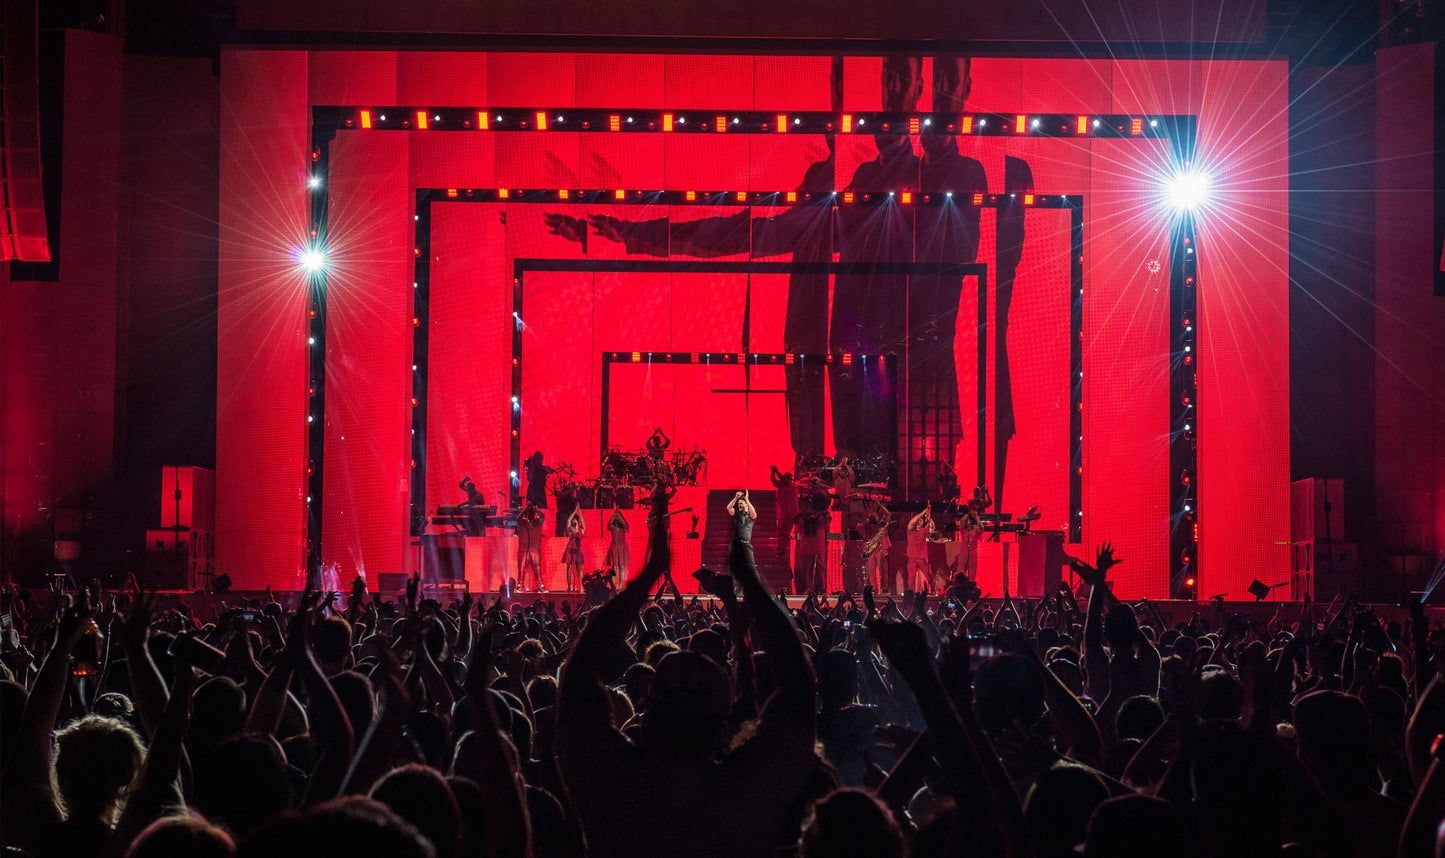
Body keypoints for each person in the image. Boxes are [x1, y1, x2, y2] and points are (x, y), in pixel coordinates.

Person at [771, 465, 800, 562]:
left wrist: (777, 471)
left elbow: (784, 481)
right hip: (783, 515)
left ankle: (783, 553)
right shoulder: (782, 487)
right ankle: (783, 552)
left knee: (783, 534)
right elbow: (774, 481)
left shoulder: (792, 487)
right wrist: (773, 472)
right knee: (782, 534)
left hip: (789, 515)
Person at [514, 500, 545, 592]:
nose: (531, 513)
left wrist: (535, 509)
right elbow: (517, 518)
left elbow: (543, 516)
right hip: (524, 549)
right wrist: (525, 509)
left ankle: (540, 586)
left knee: (537, 568)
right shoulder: (523, 522)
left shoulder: (538, 522)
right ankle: (520, 585)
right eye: (529, 512)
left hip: (535, 549)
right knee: (521, 568)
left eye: (532, 512)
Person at [727, 490, 758, 571]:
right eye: (738, 504)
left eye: (741, 503)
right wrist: (735, 498)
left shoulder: (751, 516)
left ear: (746, 504)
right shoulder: (737, 514)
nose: (739, 505)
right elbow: (729, 508)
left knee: (751, 567)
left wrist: (747, 500)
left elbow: (753, 512)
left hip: (746, 544)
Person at [906, 506, 935, 592]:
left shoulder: (924, 530)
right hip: (912, 558)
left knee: (930, 576)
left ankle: (933, 592)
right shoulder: (910, 530)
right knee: (911, 580)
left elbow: (932, 528)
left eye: (921, 520)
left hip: (922, 558)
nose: (919, 521)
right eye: (917, 520)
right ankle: (909, 595)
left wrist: (928, 517)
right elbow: (911, 522)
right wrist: (923, 512)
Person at [561, 508, 586, 593]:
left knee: (579, 569)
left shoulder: (580, 529)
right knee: (569, 567)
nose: (574, 521)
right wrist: (574, 511)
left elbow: (583, 523)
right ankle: (569, 586)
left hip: (577, 551)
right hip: (570, 550)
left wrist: (579, 512)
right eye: (574, 520)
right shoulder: (570, 528)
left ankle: (581, 587)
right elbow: (568, 520)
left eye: (576, 520)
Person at [605, 507, 630, 587]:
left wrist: (618, 515)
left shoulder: (623, 527)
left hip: (622, 547)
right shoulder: (613, 527)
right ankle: (614, 587)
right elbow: (609, 524)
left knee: (622, 567)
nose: (617, 519)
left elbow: (625, 524)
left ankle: (620, 587)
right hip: (614, 547)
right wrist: (614, 515)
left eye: (618, 517)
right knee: (614, 567)